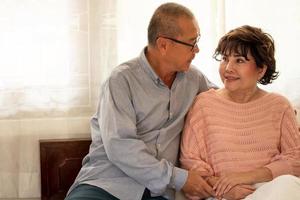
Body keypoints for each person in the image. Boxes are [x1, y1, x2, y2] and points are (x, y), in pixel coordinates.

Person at [65, 3, 217, 200]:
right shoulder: (120, 80)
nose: (197, 49)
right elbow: (121, 147)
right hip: (107, 184)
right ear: (163, 45)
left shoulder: (194, 79)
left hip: (158, 193)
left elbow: (224, 103)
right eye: (191, 43)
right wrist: (180, 178)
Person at [180, 25, 300, 200]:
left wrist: (245, 177)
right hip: (220, 193)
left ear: (261, 69)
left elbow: (295, 162)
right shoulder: (204, 104)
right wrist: (224, 190)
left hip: (269, 190)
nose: (228, 68)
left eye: (240, 60)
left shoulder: (279, 106)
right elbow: (191, 166)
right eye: (224, 59)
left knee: (288, 185)